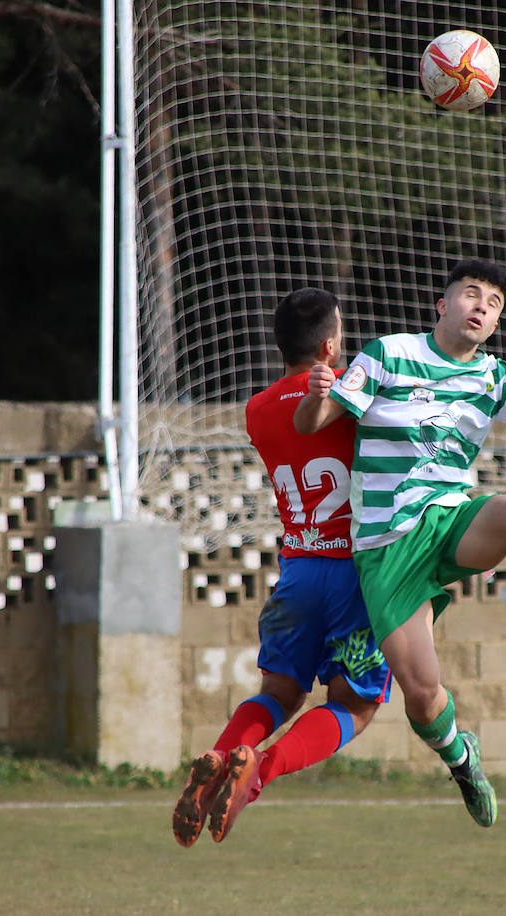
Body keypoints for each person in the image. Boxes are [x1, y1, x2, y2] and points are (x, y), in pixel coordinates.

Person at [294, 258, 506, 828]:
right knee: (422, 696)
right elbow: (313, 421)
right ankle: (460, 757)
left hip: (449, 521)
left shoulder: (494, 376)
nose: (482, 307)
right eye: (472, 295)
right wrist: (317, 393)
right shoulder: (388, 354)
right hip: (384, 547)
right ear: (442, 305)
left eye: (493, 304)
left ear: (495, 324)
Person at [172, 287, 390, 847]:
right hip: (354, 575)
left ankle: (222, 757)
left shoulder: (257, 410)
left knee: (280, 692)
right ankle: (256, 772)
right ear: (330, 345)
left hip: (297, 571)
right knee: (354, 706)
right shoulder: (350, 397)